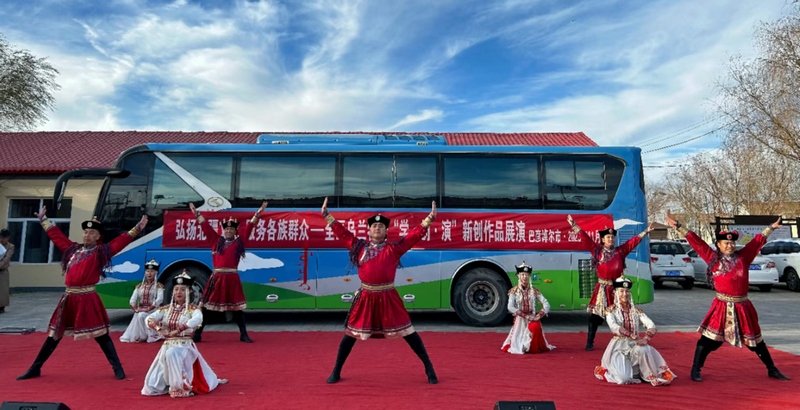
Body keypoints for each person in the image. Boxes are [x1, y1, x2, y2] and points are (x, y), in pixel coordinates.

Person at [17, 207, 147, 380]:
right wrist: (44, 220)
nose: (87, 235)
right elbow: (57, 237)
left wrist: (137, 229)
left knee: (101, 335)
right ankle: (35, 368)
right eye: (85, 232)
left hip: (87, 298)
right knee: (54, 334)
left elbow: (119, 243)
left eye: (92, 233)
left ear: (98, 236)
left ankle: (117, 368)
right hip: (69, 298)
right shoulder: (72, 250)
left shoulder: (101, 252)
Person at [322, 197, 438, 384]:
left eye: (381, 227)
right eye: (374, 226)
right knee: (350, 335)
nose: (377, 228)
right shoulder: (359, 247)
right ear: (369, 231)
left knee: (409, 333)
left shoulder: (394, 249)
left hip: (388, 296)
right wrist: (328, 216)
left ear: (386, 232)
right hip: (365, 297)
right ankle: (336, 371)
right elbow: (343, 234)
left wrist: (429, 220)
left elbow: (413, 237)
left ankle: (429, 368)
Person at [665, 213, 790, 382]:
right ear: (719, 244)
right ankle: (696, 369)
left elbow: (756, 242)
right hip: (722, 306)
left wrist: (771, 228)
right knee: (709, 340)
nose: (730, 246)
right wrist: (680, 227)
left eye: (732, 243)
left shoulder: (743, 257)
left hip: (742, 306)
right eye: (726, 243)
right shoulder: (713, 258)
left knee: (755, 341)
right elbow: (698, 243)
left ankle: (772, 369)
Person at [566, 215, 654, 351]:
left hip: (617, 289)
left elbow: (633, 242)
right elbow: (585, 239)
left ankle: (627, 340)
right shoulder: (597, 251)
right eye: (608, 237)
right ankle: (590, 342)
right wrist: (574, 225)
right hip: (602, 289)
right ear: (603, 239)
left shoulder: (621, 251)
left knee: (623, 314)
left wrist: (646, 232)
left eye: (612, 237)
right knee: (596, 317)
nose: (611, 239)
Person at [189, 200, 266, 343]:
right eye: (227, 229)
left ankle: (243, 334)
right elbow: (205, 227)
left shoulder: (239, 243)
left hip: (232, 278)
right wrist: (196, 213)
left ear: (235, 231)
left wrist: (258, 213)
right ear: (223, 230)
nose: (229, 231)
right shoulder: (215, 241)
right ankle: (198, 334)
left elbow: (249, 228)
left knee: (237, 308)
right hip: (217, 278)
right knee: (207, 307)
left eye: (232, 229)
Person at [142, 270, 227, 398]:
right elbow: (149, 318)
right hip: (167, 345)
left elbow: (198, 319)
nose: (179, 292)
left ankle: (179, 386)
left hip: (184, 346)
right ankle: (172, 382)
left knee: (172, 353)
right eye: (176, 289)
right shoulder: (166, 309)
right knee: (151, 385)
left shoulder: (192, 310)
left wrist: (179, 329)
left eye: (182, 289)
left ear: (189, 292)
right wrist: (159, 329)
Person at [594, 277, 676, 386]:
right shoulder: (610, 311)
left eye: (627, 291)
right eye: (621, 291)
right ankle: (632, 372)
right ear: (615, 293)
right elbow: (614, 327)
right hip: (619, 347)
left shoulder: (636, 311)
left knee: (644, 348)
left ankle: (649, 376)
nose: (625, 294)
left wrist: (646, 339)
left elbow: (651, 325)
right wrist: (632, 336)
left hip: (635, 344)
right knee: (623, 379)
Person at [501, 262, 555, 354]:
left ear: (529, 276)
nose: (524, 277)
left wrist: (539, 315)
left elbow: (546, 304)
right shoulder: (514, 291)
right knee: (518, 344)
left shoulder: (534, 291)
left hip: (532, 318)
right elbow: (510, 307)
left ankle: (533, 348)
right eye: (522, 275)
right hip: (520, 320)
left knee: (535, 327)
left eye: (526, 275)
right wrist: (524, 315)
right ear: (518, 276)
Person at [120, 258, 165, 343]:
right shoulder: (139, 286)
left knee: (142, 315)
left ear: (156, 273)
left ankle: (147, 335)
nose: (149, 273)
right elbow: (132, 299)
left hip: (153, 310)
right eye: (148, 271)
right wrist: (135, 308)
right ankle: (142, 335)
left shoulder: (159, 286)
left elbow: (160, 299)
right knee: (140, 315)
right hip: (141, 310)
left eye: (152, 271)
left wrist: (149, 308)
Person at [0, 228, 15, 314]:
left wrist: (0, 265)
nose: (2, 240)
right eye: (1, 237)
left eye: (4, 238)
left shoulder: (10, 246)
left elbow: (7, 258)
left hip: (3, 270)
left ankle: (2, 306)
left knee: (3, 289)